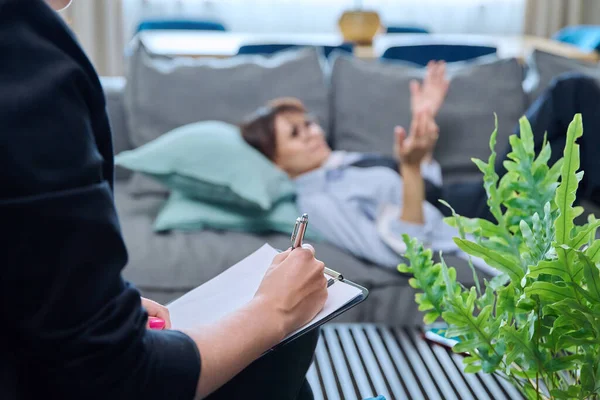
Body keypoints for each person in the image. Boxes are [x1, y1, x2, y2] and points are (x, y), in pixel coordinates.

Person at [1, 1, 328, 399]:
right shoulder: (23, 57)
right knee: (285, 362)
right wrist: (274, 311)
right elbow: (112, 374)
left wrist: (91, 306)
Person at [240, 68, 600, 268]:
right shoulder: (318, 201)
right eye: (295, 134)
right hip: (479, 214)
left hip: (468, 195)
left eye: (309, 123)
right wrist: (409, 169)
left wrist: (422, 122)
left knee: (572, 140)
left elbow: (427, 186)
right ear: (275, 160)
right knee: (569, 93)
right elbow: (399, 246)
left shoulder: (342, 162)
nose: (312, 133)